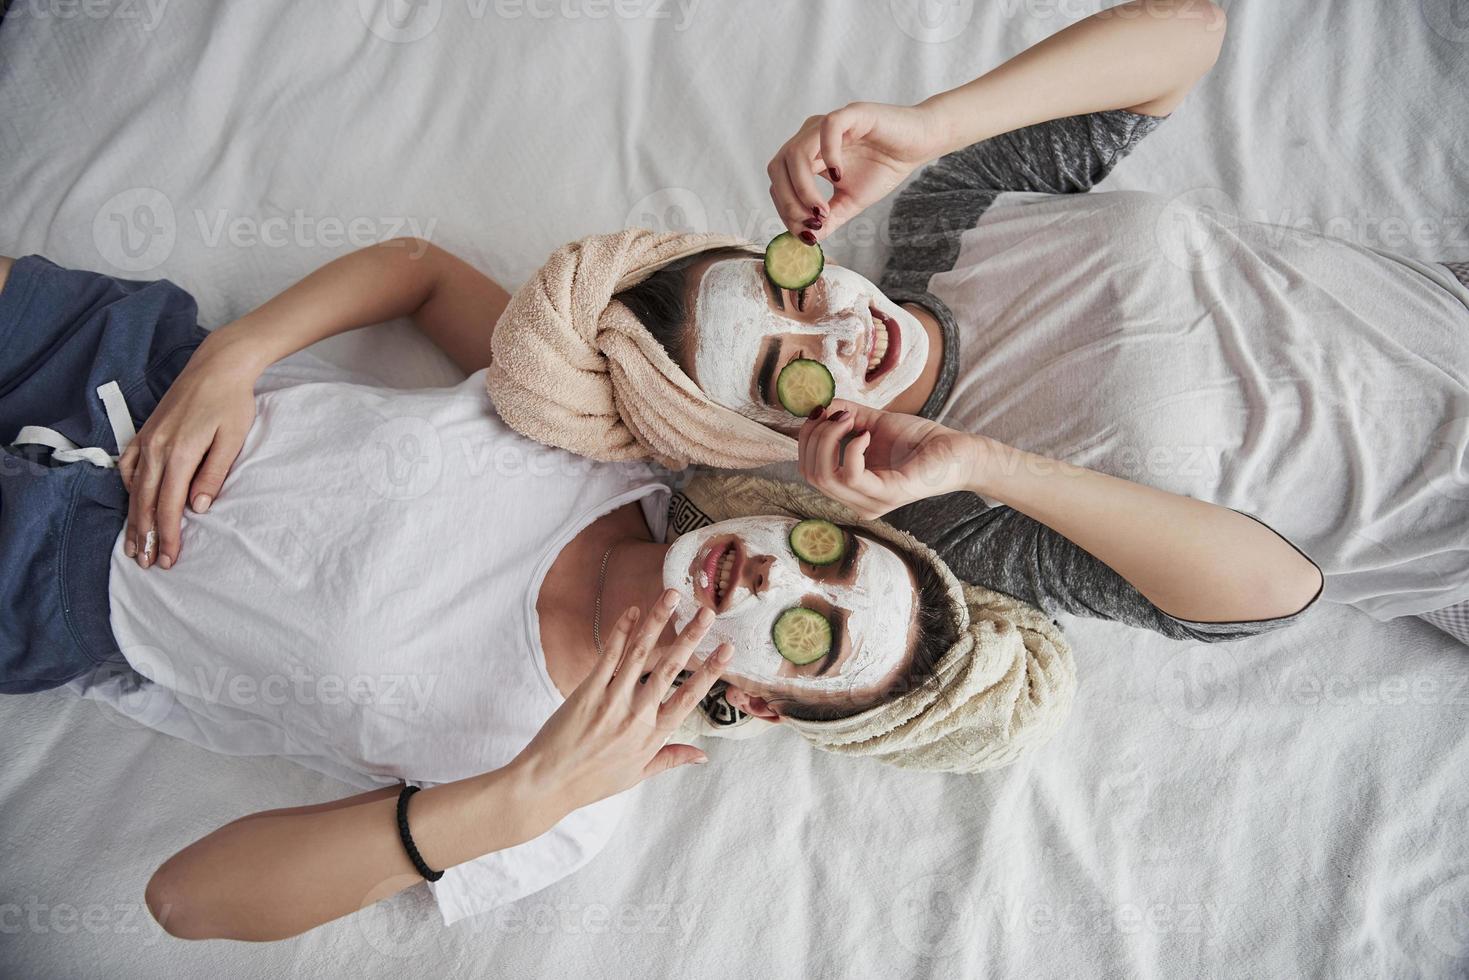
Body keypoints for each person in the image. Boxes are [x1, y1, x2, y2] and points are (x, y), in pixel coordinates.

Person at [0, 252, 1073, 942]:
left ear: (755, 702)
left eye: (811, 631)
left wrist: (526, 792)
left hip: (59, 591)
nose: (773, 575)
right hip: (135, 367)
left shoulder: (560, 813)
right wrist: (236, 356)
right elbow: (417, 273)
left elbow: (185, 900)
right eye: (823, 552)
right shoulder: (612, 444)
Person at [486, 0, 1469, 643]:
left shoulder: (943, 215)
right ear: (770, 435)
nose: (834, 332)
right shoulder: (943, 512)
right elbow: (1276, 590)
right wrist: (989, 465)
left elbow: (1189, 32)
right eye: (786, 374)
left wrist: (934, 127)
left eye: (788, 292)